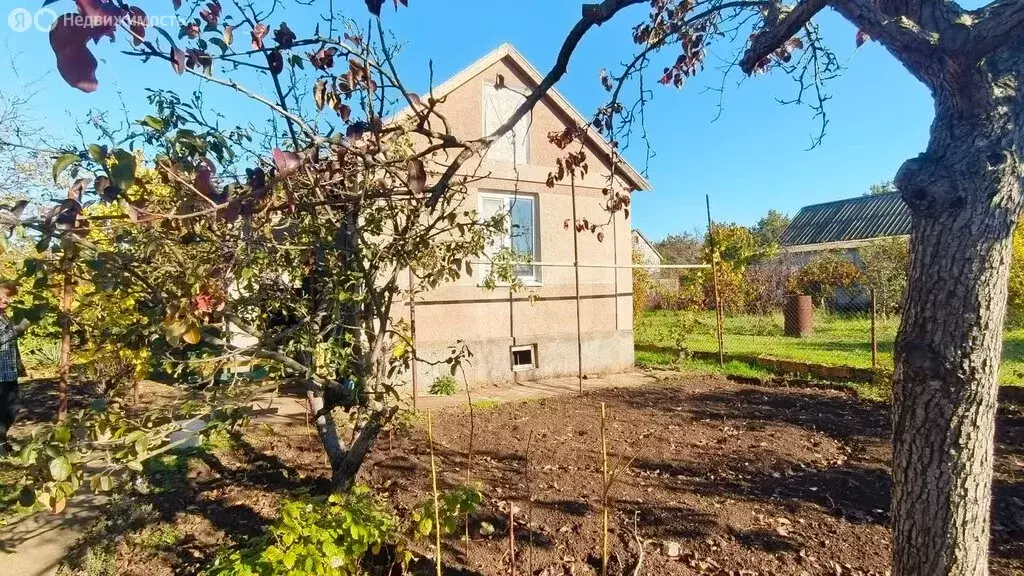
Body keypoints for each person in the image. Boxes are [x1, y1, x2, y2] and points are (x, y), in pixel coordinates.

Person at [0, 282, 27, 452]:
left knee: (12, 406)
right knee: (4, 408)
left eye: (7, 297)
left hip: (7, 371)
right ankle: (1, 445)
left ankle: (2, 442)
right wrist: (18, 329)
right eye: (1, 297)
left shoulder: (4, 316)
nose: (5, 300)